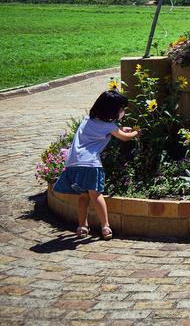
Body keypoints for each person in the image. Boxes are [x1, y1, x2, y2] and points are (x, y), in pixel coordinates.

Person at [52, 90, 140, 240]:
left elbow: (109, 131)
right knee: (96, 194)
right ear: (112, 111)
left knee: (83, 196)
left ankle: (82, 226)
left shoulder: (87, 120)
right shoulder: (109, 126)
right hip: (91, 164)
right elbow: (124, 137)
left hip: (74, 163)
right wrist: (135, 133)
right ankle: (105, 226)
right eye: (121, 109)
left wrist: (118, 129)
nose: (122, 111)